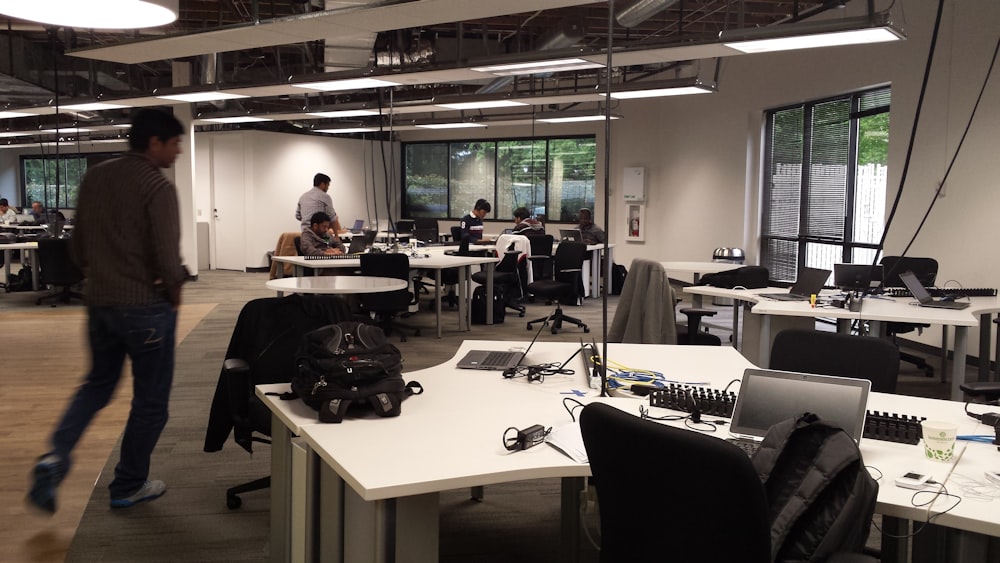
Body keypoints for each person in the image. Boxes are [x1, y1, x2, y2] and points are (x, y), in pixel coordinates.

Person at [27, 108, 187, 514]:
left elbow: (77, 248)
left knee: (96, 386)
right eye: (174, 144)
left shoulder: (96, 177)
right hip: (146, 310)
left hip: (98, 305)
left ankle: (55, 457)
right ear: (154, 143)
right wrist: (174, 294)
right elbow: (168, 260)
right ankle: (128, 485)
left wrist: (102, 276)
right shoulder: (157, 186)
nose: (178, 152)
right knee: (150, 402)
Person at [296, 173, 345, 238]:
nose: (328, 188)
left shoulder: (303, 196)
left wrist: (307, 220)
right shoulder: (325, 197)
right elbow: (333, 218)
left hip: (305, 234)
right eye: (328, 185)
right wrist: (336, 236)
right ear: (322, 184)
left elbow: (298, 216)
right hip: (319, 235)